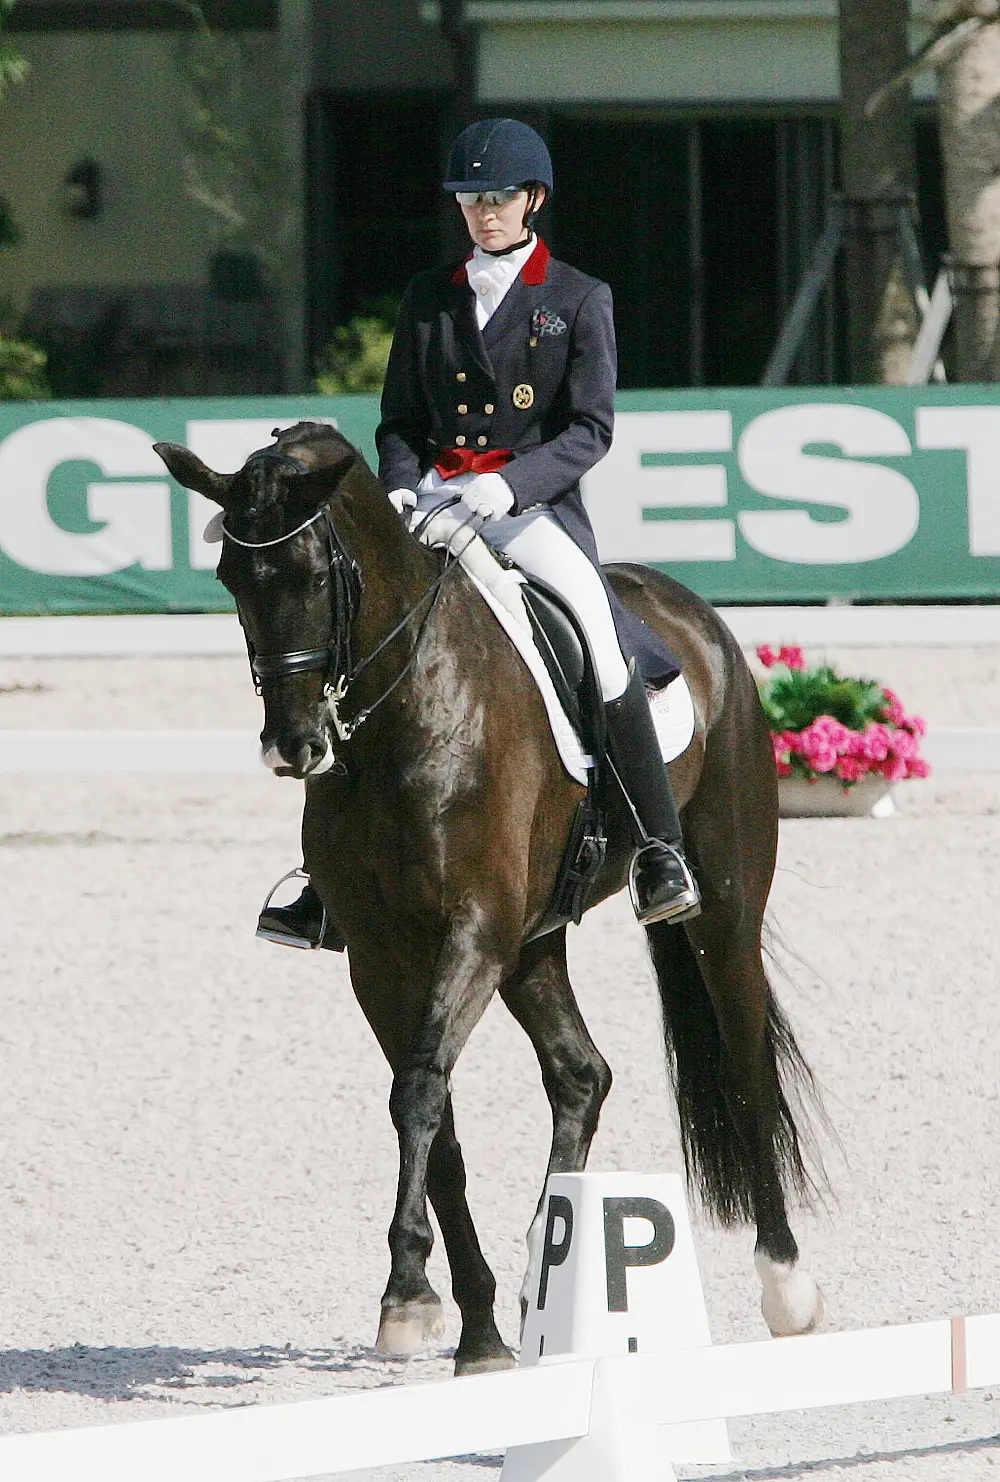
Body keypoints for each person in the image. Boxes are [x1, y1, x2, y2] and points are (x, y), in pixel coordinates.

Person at [258, 118, 700, 952]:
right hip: (432, 504)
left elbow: (590, 431)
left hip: (529, 511)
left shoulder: (577, 298)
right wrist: (398, 489)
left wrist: (508, 484)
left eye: (497, 198)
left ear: (533, 200)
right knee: (357, 645)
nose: (484, 212)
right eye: (470, 199)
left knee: (601, 643)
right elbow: (398, 421)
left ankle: (657, 850)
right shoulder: (430, 297)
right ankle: (326, 879)